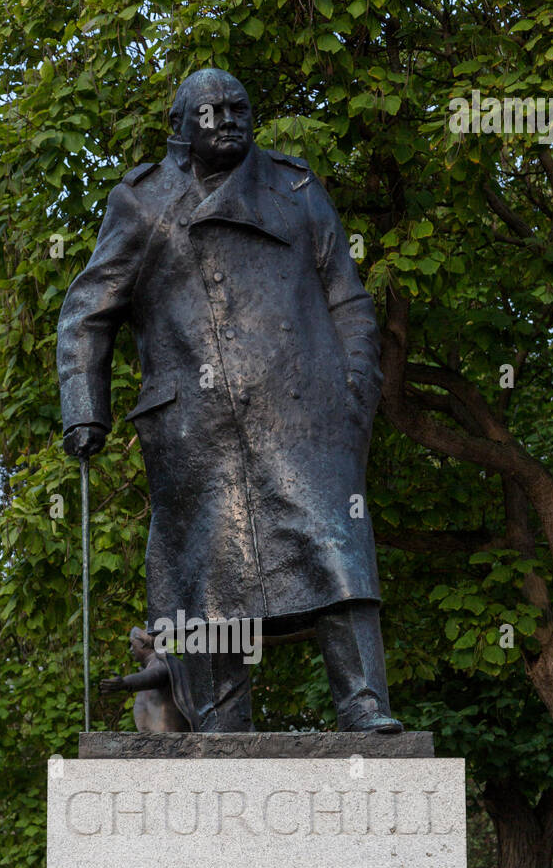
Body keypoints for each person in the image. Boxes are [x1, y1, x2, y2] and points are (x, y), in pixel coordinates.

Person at [57, 67, 402, 734]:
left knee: (338, 556)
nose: (231, 120)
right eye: (213, 111)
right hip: (195, 428)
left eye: (240, 108)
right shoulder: (142, 202)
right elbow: (86, 312)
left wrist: (354, 390)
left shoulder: (297, 189)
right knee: (208, 578)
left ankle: (365, 707)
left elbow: (349, 300)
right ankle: (220, 726)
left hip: (305, 415)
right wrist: (84, 406)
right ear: (179, 126)